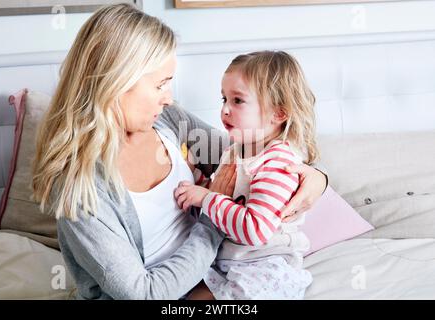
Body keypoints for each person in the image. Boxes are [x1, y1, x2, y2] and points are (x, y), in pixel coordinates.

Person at [31, 3, 327, 300]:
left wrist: (316, 177)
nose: (168, 99)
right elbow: (144, 294)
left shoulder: (169, 120)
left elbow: (252, 160)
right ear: (116, 83)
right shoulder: (79, 186)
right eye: (161, 85)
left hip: (216, 274)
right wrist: (211, 218)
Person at [175, 51, 318, 299]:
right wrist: (197, 181)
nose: (225, 110)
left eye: (238, 101)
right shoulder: (236, 151)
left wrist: (206, 198)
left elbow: (255, 230)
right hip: (229, 260)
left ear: (278, 114)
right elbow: (224, 200)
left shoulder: (278, 163)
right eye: (224, 99)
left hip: (266, 266)